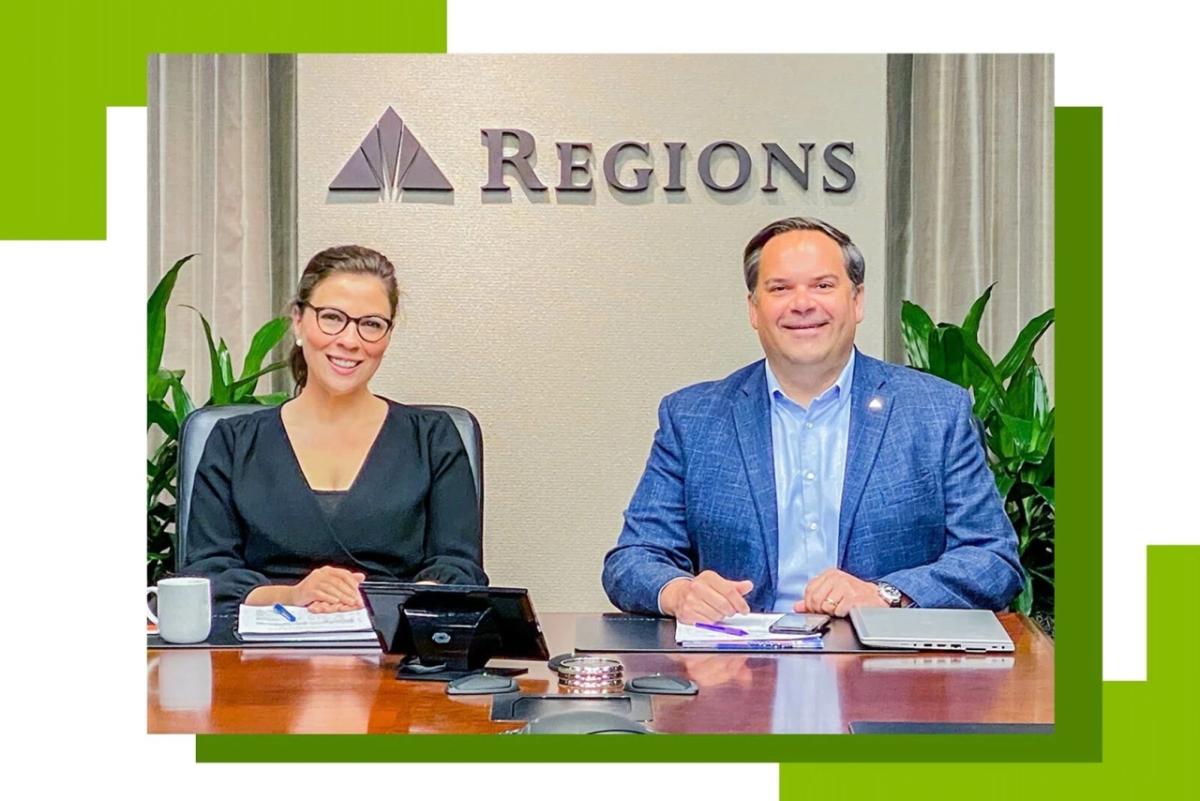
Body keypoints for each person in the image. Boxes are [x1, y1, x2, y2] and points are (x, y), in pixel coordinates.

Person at [601, 217, 1022, 624]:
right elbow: (633, 559)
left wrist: (886, 594)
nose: (802, 305)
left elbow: (992, 559)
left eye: (823, 286)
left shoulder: (934, 411)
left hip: (887, 673)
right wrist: (679, 591)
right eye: (780, 288)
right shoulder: (693, 417)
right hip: (738, 670)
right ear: (754, 308)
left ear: (856, 301)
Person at [184, 245, 486, 616]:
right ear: (298, 321)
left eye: (371, 324)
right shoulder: (233, 441)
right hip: (258, 651)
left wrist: (379, 601)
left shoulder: (433, 439)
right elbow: (208, 574)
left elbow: (459, 569)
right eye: (332, 318)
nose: (350, 340)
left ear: (388, 336)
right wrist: (294, 594)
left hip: (395, 649)